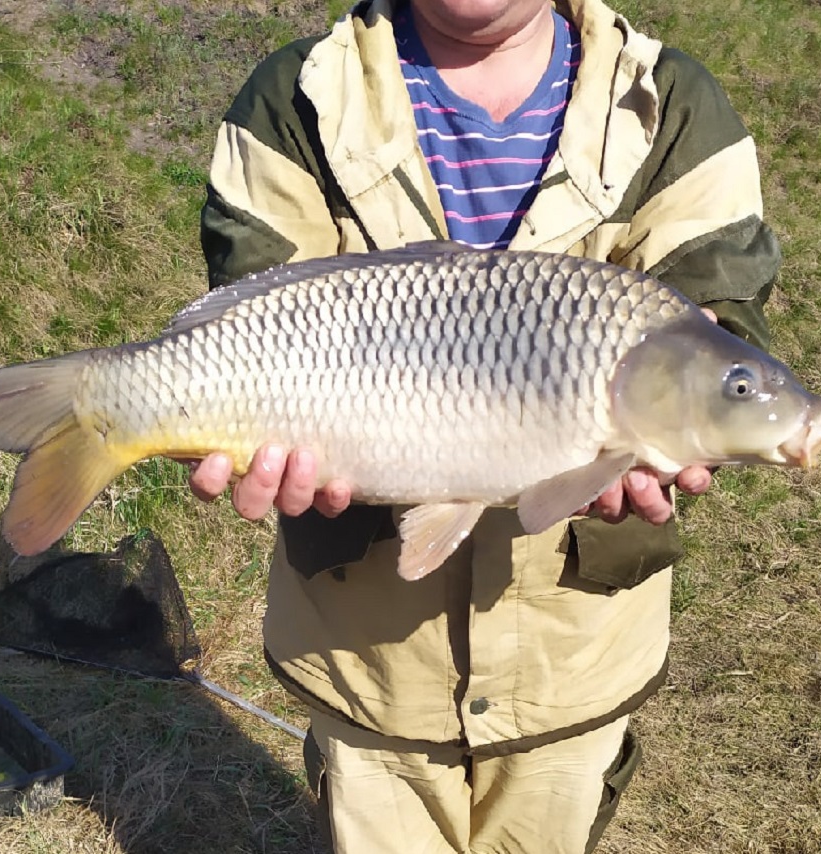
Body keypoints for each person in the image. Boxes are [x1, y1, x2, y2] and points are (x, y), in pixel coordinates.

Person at [187, 0, 780, 850]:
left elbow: (723, 324)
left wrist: (686, 428)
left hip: (572, 643)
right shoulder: (302, 95)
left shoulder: (669, 101)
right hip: (369, 650)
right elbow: (260, 313)